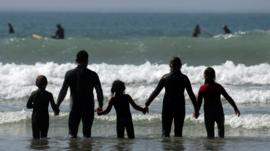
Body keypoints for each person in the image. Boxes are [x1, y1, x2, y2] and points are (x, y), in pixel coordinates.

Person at [144, 57, 197, 137]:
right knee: (178, 132)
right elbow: (191, 94)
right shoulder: (184, 78)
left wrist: (147, 104)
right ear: (181, 66)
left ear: (170, 66)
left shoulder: (165, 78)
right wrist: (196, 109)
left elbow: (156, 92)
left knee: (165, 132)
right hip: (180, 106)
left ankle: (167, 148)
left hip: (167, 106)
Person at [56, 50, 104, 138]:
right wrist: (100, 105)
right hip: (88, 107)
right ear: (87, 60)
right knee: (87, 134)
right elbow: (99, 92)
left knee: (72, 134)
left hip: (75, 107)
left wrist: (57, 105)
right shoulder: (93, 75)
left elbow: (63, 91)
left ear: (76, 60)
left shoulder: (70, 74)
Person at [195, 67, 240, 138]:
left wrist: (196, 112)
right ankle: (219, 147)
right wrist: (235, 108)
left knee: (210, 135)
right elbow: (228, 97)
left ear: (205, 76)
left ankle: (210, 148)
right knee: (221, 132)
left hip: (208, 113)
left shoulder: (202, 88)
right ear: (214, 76)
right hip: (219, 112)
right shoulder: (218, 87)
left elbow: (199, 103)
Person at [26, 75, 59, 139]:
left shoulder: (33, 93)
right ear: (46, 83)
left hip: (35, 117)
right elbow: (54, 107)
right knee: (44, 137)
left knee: (35, 137)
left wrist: (35, 105)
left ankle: (37, 147)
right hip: (45, 118)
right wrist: (57, 111)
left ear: (36, 84)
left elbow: (28, 106)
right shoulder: (49, 95)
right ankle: (43, 147)